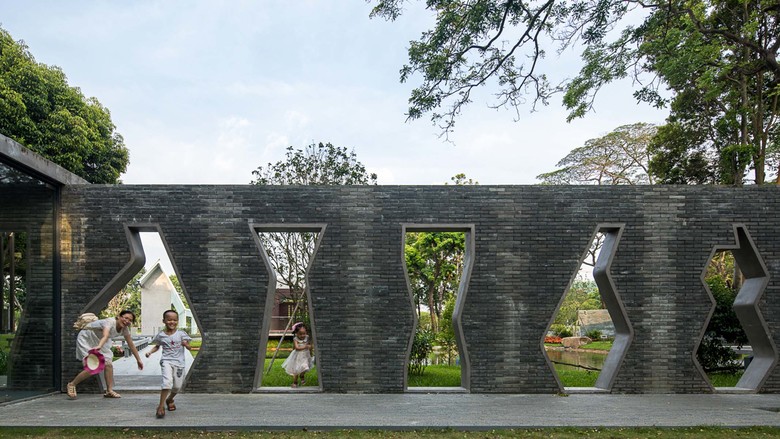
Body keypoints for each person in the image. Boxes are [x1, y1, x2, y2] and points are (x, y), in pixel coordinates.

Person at [67, 310, 144, 399]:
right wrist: (99, 346)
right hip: (87, 337)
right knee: (93, 366)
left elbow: (131, 344)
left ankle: (109, 391)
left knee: (108, 364)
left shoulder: (125, 329)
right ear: (119, 316)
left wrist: (138, 360)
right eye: (126, 318)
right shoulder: (109, 322)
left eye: (130, 320)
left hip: (100, 341)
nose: (127, 321)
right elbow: (105, 335)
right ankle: (72, 384)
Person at [145, 309, 192, 418]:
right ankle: (160, 407)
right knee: (167, 382)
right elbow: (157, 346)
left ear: (177, 321)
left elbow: (189, 347)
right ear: (164, 321)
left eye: (175, 320)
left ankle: (170, 399)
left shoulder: (181, 334)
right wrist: (150, 352)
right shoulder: (161, 335)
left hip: (179, 363)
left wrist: (186, 345)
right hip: (166, 360)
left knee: (177, 387)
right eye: (169, 320)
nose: (172, 322)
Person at [281, 322, 314, 388]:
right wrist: (305, 347)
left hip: (305, 356)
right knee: (296, 370)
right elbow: (297, 348)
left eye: (304, 333)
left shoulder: (307, 337)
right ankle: (295, 382)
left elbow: (310, 346)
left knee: (305, 367)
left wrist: (310, 349)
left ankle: (302, 375)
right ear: (296, 333)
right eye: (300, 334)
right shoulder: (295, 339)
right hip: (298, 356)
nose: (302, 335)